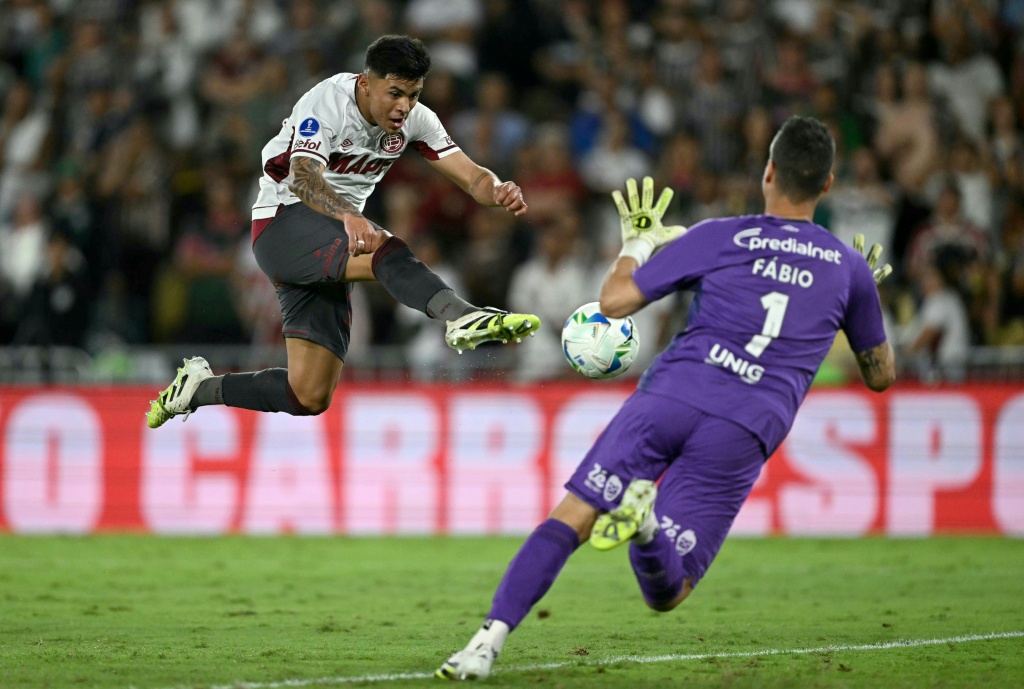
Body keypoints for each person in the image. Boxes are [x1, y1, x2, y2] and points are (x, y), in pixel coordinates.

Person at [436, 116, 896, 681]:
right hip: (744, 427)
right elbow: (879, 375)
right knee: (668, 591)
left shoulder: (720, 234)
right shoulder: (848, 269)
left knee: (573, 516)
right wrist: (859, 298)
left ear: (768, 173)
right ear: (827, 186)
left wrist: (636, 243)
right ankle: (647, 525)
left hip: (673, 394)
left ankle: (486, 642)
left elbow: (615, 301)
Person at [145, 35, 540, 427]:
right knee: (385, 247)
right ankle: (460, 315)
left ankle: (199, 390)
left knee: (308, 395)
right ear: (366, 83)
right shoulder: (329, 101)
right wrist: (349, 214)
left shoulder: (417, 119)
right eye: (395, 93)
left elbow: (473, 179)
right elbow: (302, 176)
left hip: (330, 242)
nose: (404, 106)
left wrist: (498, 188)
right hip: (283, 224)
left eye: (414, 95)